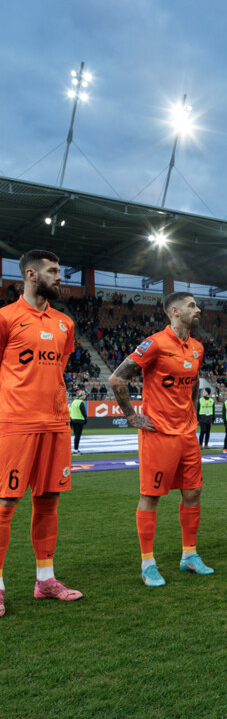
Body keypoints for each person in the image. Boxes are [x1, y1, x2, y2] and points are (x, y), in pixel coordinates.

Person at [109, 292, 214, 587]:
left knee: (193, 493)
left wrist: (190, 412)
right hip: (158, 434)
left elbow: (192, 383)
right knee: (150, 497)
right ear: (175, 312)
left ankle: (189, 555)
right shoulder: (155, 343)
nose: (199, 309)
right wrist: (132, 416)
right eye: (192, 305)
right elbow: (117, 378)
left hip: (187, 434)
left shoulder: (197, 347)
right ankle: (148, 564)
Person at [0, 250, 82, 616]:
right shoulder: (6, 318)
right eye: (53, 270)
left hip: (55, 426)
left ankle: (45, 580)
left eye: (59, 270)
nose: (59, 276)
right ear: (31, 275)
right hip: (15, 426)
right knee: (4, 505)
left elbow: (58, 370)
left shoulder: (65, 323)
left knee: (48, 502)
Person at [69, 388, 88, 455]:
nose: (85, 396)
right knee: (77, 436)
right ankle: (76, 450)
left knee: (75, 435)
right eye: (84, 395)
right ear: (81, 396)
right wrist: (85, 419)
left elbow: (70, 410)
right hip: (79, 420)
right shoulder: (81, 402)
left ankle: (75, 449)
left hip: (73, 420)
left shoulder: (74, 401)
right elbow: (84, 412)